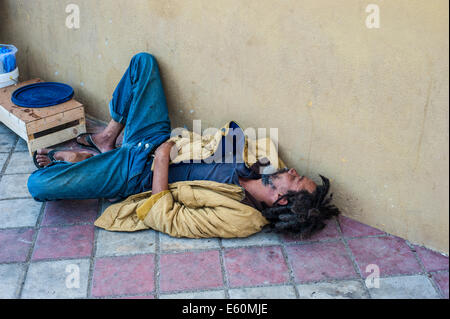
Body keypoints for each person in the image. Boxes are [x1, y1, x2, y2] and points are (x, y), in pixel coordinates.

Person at [28, 53, 339, 238]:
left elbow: (168, 218)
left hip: (137, 173)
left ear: (281, 200)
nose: (294, 170)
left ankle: (95, 163)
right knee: (143, 63)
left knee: (38, 185)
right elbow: (226, 140)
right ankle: (107, 138)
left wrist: (161, 158)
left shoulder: (242, 217)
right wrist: (171, 145)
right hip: (155, 141)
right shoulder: (262, 166)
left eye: (295, 179)